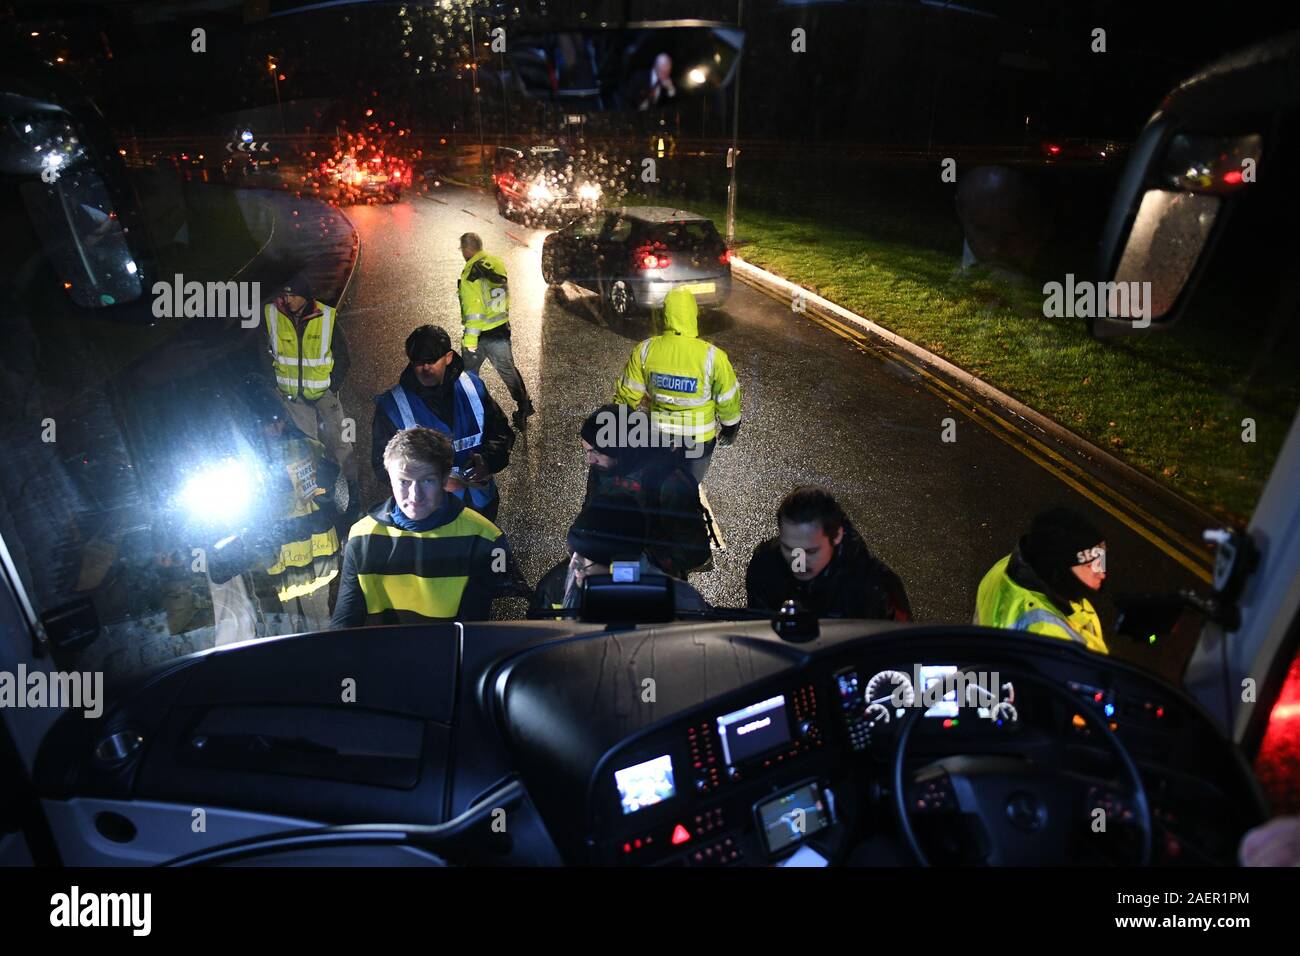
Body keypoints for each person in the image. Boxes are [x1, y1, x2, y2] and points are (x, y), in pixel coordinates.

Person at [333, 427, 517, 627]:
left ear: (445, 479)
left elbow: (478, 625)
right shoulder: (361, 535)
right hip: (383, 656)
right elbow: (345, 624)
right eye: (404, 482)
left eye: (427, 480)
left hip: (448, 656)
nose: (415, 495)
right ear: (390, 478)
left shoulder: (485, 538)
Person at [371, 324, 514, 524]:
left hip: (480, 509)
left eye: (431, 361)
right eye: (418, 362)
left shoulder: (473, 387)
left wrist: (488, 462)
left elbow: (502, 434)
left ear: (448, 357)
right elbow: (381, 464)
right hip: (429, 515)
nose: (425, 369)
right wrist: (432, 482)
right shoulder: (391, 406)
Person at [613, 287, 741, 484]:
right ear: (693, 315)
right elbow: (727, 398)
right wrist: (730, 429)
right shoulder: (712, 356)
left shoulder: (646, 350)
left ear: (665, 315)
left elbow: (627, 395)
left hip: (659, 437)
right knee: (688, 489)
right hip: (697, 440)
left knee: (656, 485)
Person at [580, 403, 710, 578]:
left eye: (595, 452)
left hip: (650, 583)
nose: (590, 460)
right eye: (587, 451)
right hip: (605, 573)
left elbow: (695, 551)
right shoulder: (604, 467)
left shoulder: (668, 482)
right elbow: (590, 509)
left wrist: (638, 561)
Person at [530, 493, 710, 616]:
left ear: (621, 563)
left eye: (587, 558)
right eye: (573, 553)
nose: (574, 564)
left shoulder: (680, 602)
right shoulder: (553, 589)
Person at [745, 486, 911, 621]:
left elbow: (897, 649)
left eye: (810, 551)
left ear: (836, 536)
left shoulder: (873, 586)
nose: (798, 563)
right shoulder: (765, 565)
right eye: (788, 548)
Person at [263, 273, 357, 501]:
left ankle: (353, 494)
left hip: (324, 393)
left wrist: (332, 384)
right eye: (285, 295)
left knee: (342, 444)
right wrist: (276, 384)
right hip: (294, 398)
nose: (287, 300)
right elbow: (263, 354)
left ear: (305, 297)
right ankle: (317, 498)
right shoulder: (272, 315)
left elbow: (343, 355)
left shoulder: (326, 316)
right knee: (307, 448)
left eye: (293, 295)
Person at [974, 506, 1109, 655]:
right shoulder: (1050, 638)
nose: (1102, 574)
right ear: (1059, 570)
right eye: (1089, 565)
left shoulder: (1009, 566)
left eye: (1100, 561)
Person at [457, 232, 535, 428]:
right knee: (508, 372)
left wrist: (470, 341)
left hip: (481, 334)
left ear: (466, 249)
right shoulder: (496, 263)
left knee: (467, 375)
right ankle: (524, 405)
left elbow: (474, 310)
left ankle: (469, 413)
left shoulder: (470, 273)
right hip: (500, 329)